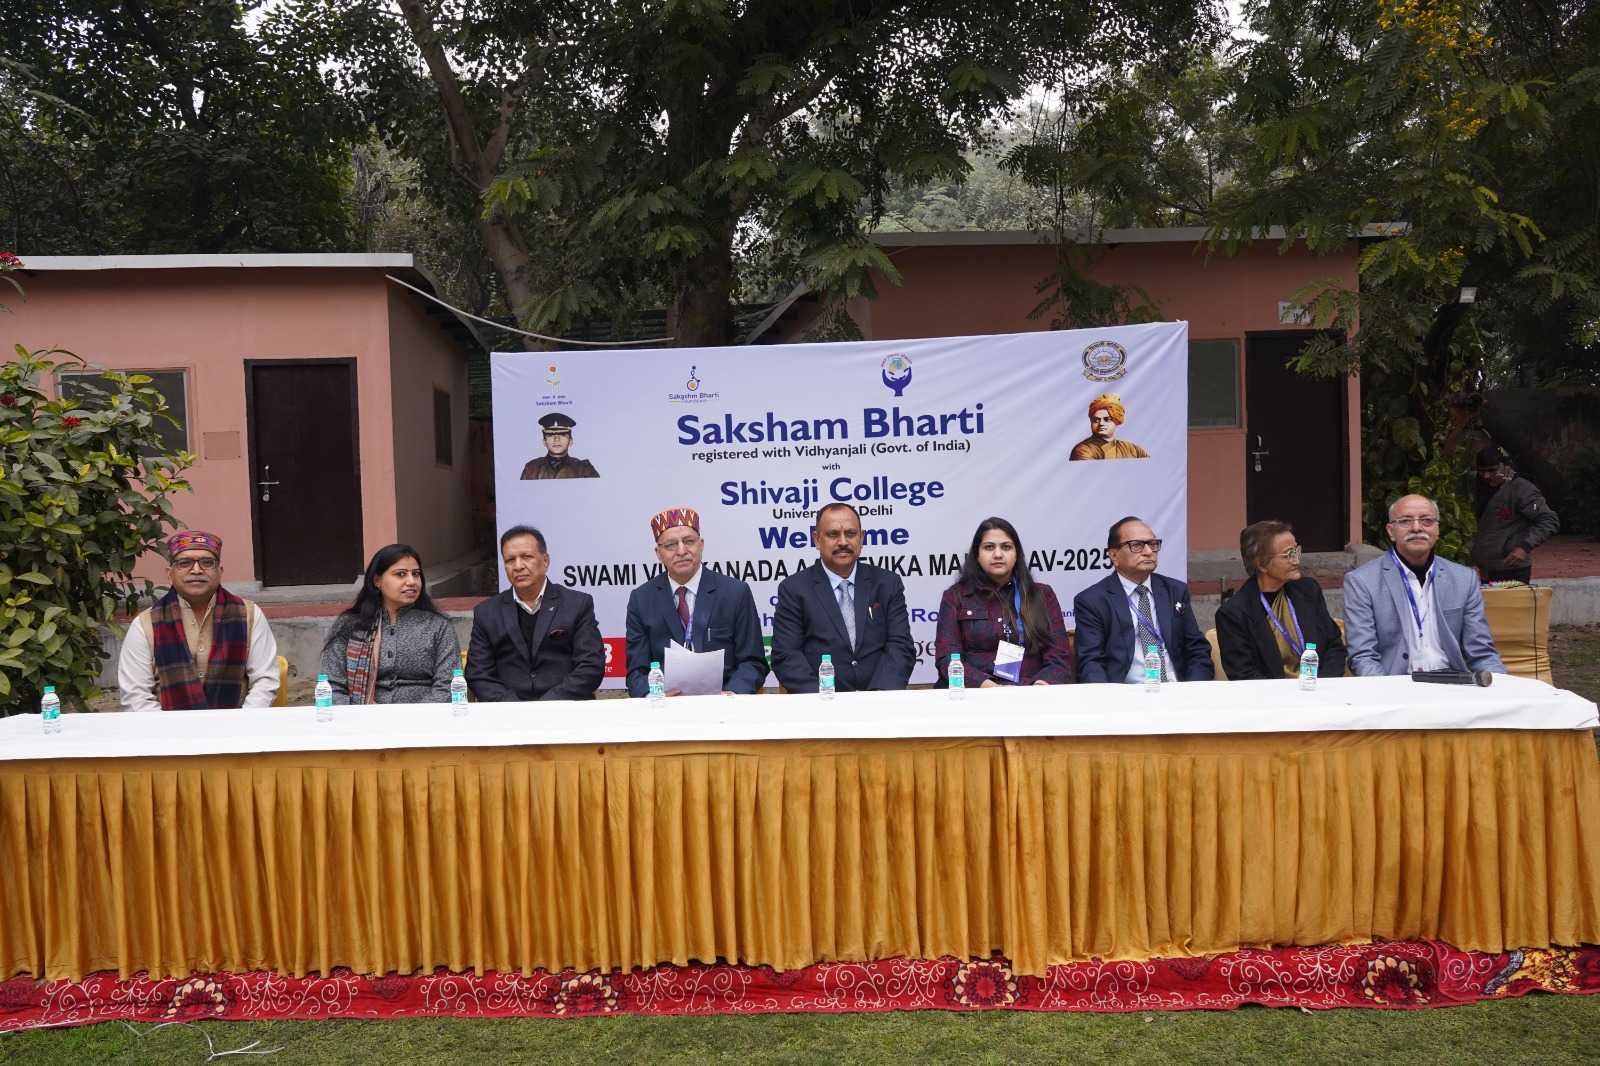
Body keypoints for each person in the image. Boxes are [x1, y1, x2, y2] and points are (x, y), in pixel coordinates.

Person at [1342, 494, 1506, 677]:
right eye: (1405, 521)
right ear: (1391, 531)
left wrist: (1502, 685)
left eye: (1426, 521)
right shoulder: (1362, 582)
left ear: (1437, 529)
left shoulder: (1464, 579)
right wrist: (1388, 691)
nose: (1416, 528)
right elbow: (1363, 657)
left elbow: (1482, 652)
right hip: (1395, 683)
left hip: (1454, 683)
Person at [118, 530, 279, 711]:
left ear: (220, 572)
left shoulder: (248, 615)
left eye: (207, 562)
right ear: (169, 574)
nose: (196, 570)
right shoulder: (146, 624)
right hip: (166, 726)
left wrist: (238, 723)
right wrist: (170, 728)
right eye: (184, 563)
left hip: (237, 724)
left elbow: (265, 681)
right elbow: (136, 696)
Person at [624, 506, 770, 695]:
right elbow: (636, 672)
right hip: (666, 704)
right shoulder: (642, 599)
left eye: (689, 541)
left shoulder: (735, 592)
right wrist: (655, 695)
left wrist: (733, 694)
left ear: (701, 545)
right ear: (658, 553)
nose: (681, 551)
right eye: (670, 545)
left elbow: (753, 662)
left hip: (724, 702)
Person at [771, 502, 915, 692]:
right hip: (821, 702)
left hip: (880, 701)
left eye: (850, 533)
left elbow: (900, 647)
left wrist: (879, 697)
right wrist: (824, 699)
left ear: (861, 538)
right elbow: (786, 656)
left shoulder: (887, 583)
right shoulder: (794, 589)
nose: (843, 542)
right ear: (817, 539)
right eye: (833, 534)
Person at [466, 525, 604, 701]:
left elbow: (591, 666)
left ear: (545, 561)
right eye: (510, 560)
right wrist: (513, 707)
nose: (518, 566)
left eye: (526, 557)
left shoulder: (577, 604)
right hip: (508, 711)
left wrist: (547, 705)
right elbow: (478, 673)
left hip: (565, 707)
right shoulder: (487, 613)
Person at [933, 516, 1074, 686]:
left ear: (1017, 554)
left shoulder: (1042, 595)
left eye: (1006, 547)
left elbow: (1059, 658)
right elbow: (947, 658)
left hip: (1031, 692)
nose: (998, 554)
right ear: (977, 554)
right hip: (975, 693)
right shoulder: (955, 597)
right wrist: (986, 686)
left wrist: (1039, 687)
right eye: (989, 547)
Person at [1073, 516, 1213, 683]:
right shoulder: (1093, 601)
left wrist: (1193, 689)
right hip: (1125, 694)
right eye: (1137, 545)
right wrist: (1108, 697)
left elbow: (1197, 650)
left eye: (1153, 544)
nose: (1148, 551)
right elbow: (1091, 662)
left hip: (1177, 690)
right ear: (1113, 555)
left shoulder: (1175, 591)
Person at [319, 543, 463, 704]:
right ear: (377, 580)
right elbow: (332, 686)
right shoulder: (350, 625)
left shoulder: (438, 626)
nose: (411, 581)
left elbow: (447, 686)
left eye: (416, 574)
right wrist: (359, 715)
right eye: (401, 574)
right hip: (362, 715)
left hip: (423, 716)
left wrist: (415, 716)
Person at [1214, 520, 1347, 680]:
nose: (1296, 560)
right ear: (1261, 564)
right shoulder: (1234, 614)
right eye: (1288, 555)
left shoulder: (1308, 591)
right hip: (1269, 694)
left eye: (1296, 551)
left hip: (1319, 687)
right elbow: (1244, 674)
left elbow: (1334, 645)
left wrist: (1319, 684)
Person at [1472, 444, 1559, 583]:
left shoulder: (1522, 489)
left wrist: (1524, 547)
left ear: (1506, 467)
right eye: (1481, 471)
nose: (1486, 476)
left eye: (1492, 470)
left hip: (1511, 569)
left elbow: (1548, 519)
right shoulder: (1474, 487)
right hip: (1483, 570)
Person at [1068, 393, 1150, 461]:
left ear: (1116, 421)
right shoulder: (1083, 450)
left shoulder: (1133, 450)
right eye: (1096, 420)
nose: (1101, 423)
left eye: (1106, 419)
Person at [520, 412, 600, 480]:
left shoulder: (584, 469)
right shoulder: (531, 468)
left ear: (570, 441)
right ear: (544, 442)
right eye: (551, 435)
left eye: (562, 434)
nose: (556, 439)